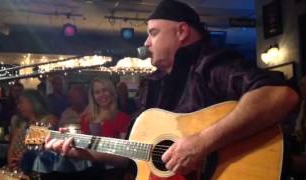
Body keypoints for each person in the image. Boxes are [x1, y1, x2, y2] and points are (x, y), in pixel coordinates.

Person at [45, 0, 299, 178]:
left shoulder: (210, 65)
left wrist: (201, 143)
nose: (146, 42)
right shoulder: (152, 84)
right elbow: (137, 152)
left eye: (153, 33)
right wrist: (87, 152)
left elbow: (280, 95)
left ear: (181, 31)